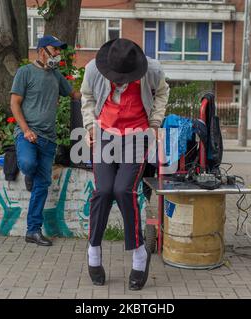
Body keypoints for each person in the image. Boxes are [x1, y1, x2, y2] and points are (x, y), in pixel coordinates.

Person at [80, 38, 169, 290]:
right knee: (103, 191)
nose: (119, 82)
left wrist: (154, 124)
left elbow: (162, 92)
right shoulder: (92, 69)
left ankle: (139, 254)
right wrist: (90, 126)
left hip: (136, 134)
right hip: (105, 133)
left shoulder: (152, 70)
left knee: (123, 190)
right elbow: (86, 97)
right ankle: (93, 249)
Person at [10, 35, 80, 246]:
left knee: (42, 186)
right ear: (42, 50)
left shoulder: (56, 75)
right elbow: (14, 104)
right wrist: (25, 130)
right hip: (28, 135)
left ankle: (33, 231)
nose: (58, 54)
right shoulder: (25, 72)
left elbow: (74, 95)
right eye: (55, 50)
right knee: (29, 164)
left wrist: (97, 93)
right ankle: (28, 173)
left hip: (49, 139)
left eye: (59, 51)